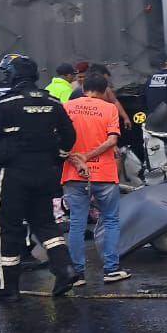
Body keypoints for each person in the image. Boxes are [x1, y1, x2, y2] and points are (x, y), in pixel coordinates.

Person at [0, 54, 81, 302]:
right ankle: (65, 269)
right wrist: (58, 158)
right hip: (44, 172)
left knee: (7, 227)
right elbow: (69, 135)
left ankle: (7, 287)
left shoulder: (7, 103)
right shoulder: (52, 102)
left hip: (12, 174)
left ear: (11, 76)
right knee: (45, 224)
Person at [62, 73, 131, 285]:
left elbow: (60, 139)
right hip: (104, 173)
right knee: (110, 220)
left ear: (84, 89)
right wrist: (90, 156)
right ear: (104, 91)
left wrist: (78, 158)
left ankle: (78, 274)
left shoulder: (66, 107)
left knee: (77, 223)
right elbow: (112, 140)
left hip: (75, 174)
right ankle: (111, 270)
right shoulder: (109, 108)